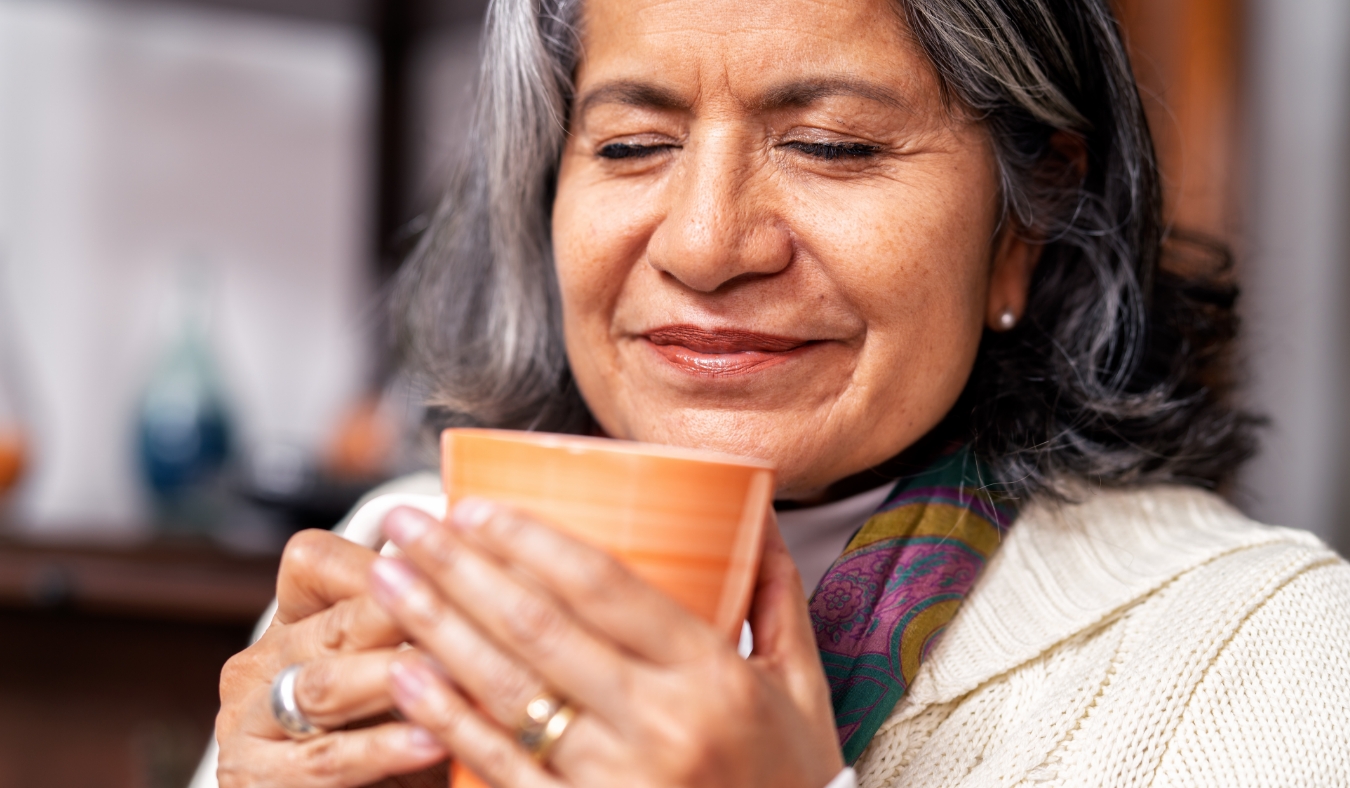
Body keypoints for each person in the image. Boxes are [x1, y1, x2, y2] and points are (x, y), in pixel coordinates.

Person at [206, 0, 1350, 785]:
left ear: (1026, 219)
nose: (706, 245)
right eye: (630, 144)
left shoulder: (1276, 657)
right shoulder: (392, 562)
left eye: (833, 145)